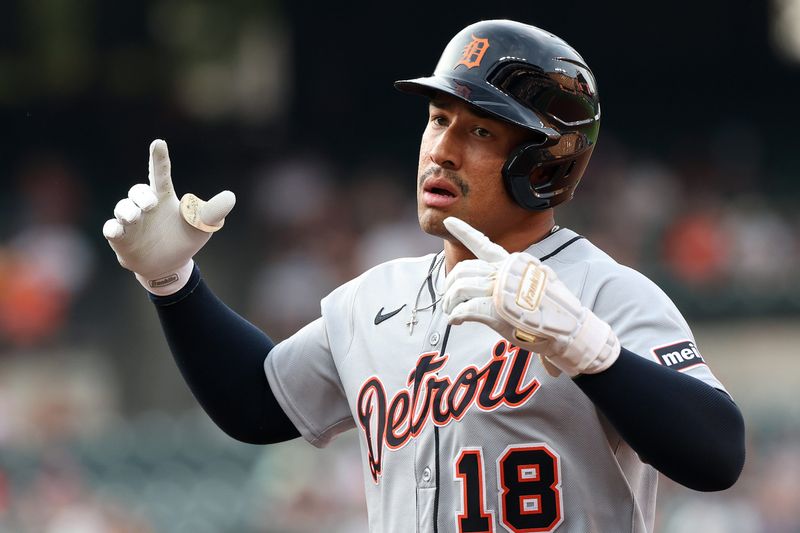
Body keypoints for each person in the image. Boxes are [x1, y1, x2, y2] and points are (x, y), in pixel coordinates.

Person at [103, 19, 745, 533]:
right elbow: (257, 404)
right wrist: (174, 284)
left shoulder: (605, 294)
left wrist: (591, 352)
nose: (441, 148)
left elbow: (718, 454)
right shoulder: (374, 298)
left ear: (543, 163)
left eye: (480, 130)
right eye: (438, 120)